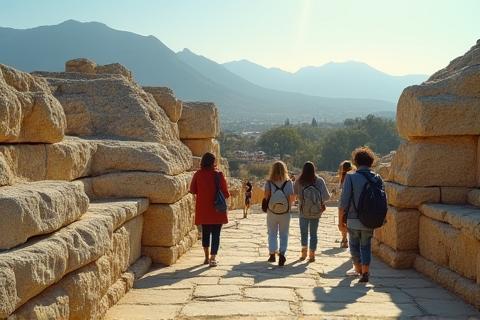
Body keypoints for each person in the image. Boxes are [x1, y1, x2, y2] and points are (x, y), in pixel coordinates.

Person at [338, 146, 381, 283]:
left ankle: (358, 269)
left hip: (353, 218)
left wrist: (340, 221)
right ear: (371, 161)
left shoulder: (351, 177)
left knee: (354, 245)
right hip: (370, 219)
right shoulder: (377, 178)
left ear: (355, 161)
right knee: (366, 245)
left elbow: (344, 201)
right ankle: (366, 271)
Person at [190, 152, 230, 267]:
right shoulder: (219, 175)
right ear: (213, 162)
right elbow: (226, 193)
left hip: (203, 209)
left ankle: (206, 257)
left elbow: (193, 190)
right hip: (217, 209)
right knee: (216, 234)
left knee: (205, 233)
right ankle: (213, 258)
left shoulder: (198, 174)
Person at [294, 161, 330, 262]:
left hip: (303, 211)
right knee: (314, 233)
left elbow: (294, 193)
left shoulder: (300, 181)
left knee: (303, 232)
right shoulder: (319, 181)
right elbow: (326, 197)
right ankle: (312, 254)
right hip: (316, 212)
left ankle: (303, 252)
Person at [263, 161, 295, 266]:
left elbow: (266, 196)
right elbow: (291, 197)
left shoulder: (269, 182)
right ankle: (282, 254)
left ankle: (272, 254)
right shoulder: (289, 182)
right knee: (284, 234)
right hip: (285, 212)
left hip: (272, 211)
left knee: (272, 233)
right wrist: (288, 208)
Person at [338, 160, 356, 248]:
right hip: (353, 202)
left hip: (343, 202)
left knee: (342, 221)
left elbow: (341, 190)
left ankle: (344, 239)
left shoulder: (343, 177)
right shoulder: (354, 175)